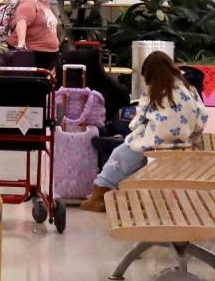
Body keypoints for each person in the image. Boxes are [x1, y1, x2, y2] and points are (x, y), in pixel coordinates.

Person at [79, 52, 208, 212]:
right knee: (133, 153)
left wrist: (133, 132)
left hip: (156, 143)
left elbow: (138, 121)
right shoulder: (189, 88)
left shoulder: (155, 90)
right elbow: (202, 115)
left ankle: (100, 194)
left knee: (120, 153)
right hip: (185, 143)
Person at [6, 0, 60, 72]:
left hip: (46, 54)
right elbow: (21, 21)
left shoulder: (43, 4)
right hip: (35, 54)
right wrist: (21, 44)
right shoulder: (29, 2)